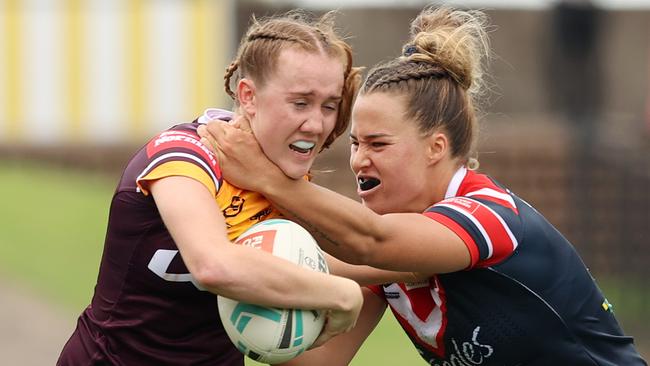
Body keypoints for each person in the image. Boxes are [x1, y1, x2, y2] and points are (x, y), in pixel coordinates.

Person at [199, 6, 648, 365]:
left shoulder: (490, 216)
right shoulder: (392, 256)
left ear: (436, 147)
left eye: (378, 143)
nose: (359, 159)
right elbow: (319, 358)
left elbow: (368, 241)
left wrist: (265, 178)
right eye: (355, 143)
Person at [56, 10, 416, 365]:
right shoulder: (182, 157)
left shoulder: (278, 175)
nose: (316, 124)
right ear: (248, 97)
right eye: (301, 102)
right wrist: (342, 297)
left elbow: (310, 262)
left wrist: (428, 264)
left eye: (329, 105)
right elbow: (213, 265)